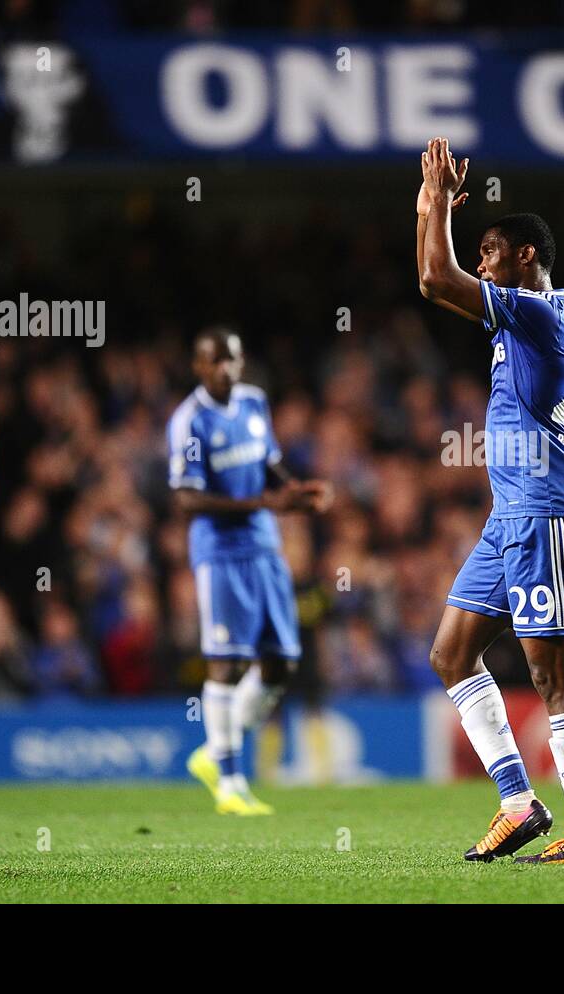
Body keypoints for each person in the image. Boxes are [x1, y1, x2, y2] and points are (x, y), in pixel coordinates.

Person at [416, 137, 564, 863]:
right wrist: (430, 212)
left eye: (493, 249)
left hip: (549, 509)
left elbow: (437, 279)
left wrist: (431, 203)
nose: (483, 260)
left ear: (527, 256)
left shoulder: (538, 312)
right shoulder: (519, 318)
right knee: (451, 654)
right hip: (514, 516)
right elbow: (441, 278)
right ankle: (518, 803)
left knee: (552, 674)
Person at [168, 327, 332, 815]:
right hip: (220, 553)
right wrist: (265, 501)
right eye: (215, 361)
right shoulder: (189, 422)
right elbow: (187, 499)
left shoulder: (254, 403)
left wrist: (295, 491)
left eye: (233, 359)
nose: (226, 369)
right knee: (228, 661)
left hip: (265, 546)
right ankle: (230, 783)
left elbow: (269, 460)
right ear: (198, 367)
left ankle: (212, 753)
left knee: (281, 661)